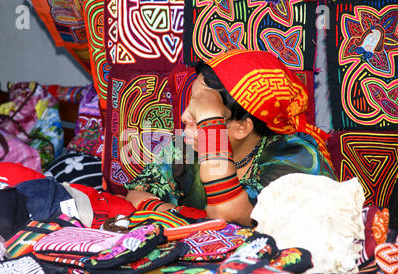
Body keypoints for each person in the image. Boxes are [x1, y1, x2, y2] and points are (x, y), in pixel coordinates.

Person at [125, 49, 335, 226]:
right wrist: (183, 216)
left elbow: (229, 214)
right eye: (192, 103)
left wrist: (210, 130)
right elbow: (136, 194)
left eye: (204, 112)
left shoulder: (297, 157)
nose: (185, 116)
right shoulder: (186, 148)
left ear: (243, 127)